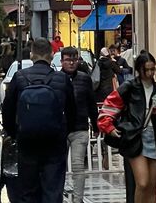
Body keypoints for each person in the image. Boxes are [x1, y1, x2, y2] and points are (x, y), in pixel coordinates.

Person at [98, 51, 156, 203]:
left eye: (152, 69)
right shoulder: (129, 87)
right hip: (136, 139)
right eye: (146, 70)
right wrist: (108, 126)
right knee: (142, 183)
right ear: (139, 70)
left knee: (151, 185)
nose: (150, 73)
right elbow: (109, 106)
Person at [2, 37, 76, 203]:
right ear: (51, 55)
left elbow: (7, 111)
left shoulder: (19, 77)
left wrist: (16, 134)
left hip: (27, 141)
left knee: (28, 190)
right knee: (53, 188)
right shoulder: (62, 79)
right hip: (54, 141)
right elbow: (72, 113)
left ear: (31, 55)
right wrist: (63, 132)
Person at [60, 46, 99, 203]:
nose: (71, 63)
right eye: (68, 60)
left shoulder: (84, 78)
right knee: (59, 166)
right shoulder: (56, 78)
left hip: (80, 127)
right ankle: (59, 196)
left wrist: (95, 125)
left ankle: (78, 199)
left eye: (74, 59)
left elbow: (91, 103)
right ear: (62, 61)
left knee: (78, 166)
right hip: (60, 129)